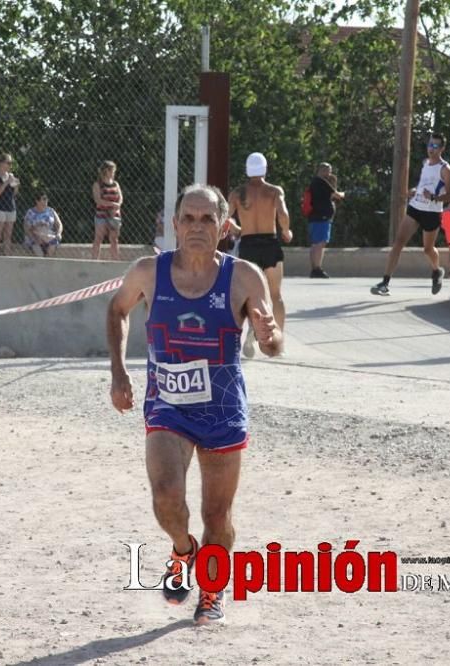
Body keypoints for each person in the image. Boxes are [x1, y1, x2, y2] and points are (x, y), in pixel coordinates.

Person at [107, 184, 283, 626]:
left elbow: (274, 340)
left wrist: (268, 336)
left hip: (222, 410)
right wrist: (119, 372)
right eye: (188, 218)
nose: (196, 227)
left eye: (207, 219)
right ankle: (184, 549)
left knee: (216, 514)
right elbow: (117, 311)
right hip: (168, 407)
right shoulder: (149, 271)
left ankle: (211, 591)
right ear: (175, 225)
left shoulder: (244, 275)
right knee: (166, 497)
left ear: (225, 227)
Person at [371, 133, 450, 297]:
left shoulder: (445, 169)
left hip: (432, 212)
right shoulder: (425, 163)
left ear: (442, 148)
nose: (432, 149)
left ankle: (437, 271)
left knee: (428, 249)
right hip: (415, 207)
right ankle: (385, 282)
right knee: (398, 243)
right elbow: (424, 183)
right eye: (430, 145)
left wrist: (433, 197)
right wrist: (415, 190)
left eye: (436, 146)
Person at [229, 152, 292, 358]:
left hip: (248, 245)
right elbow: (283, 213)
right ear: (265, 169)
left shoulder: (238, 193)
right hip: (270, 244)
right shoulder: (274, 191)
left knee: (247, 294)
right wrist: (286, 231)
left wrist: (237, 229)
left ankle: (248, 333)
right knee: (276, 296)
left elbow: (224, 217)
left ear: (247, 170)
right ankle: (278, 344)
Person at [306, 162, 345, 278]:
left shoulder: (315, 182)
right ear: (323, 170)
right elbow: (337, 195)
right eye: (329, 171)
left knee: (315, 244)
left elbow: (330, 196)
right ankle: (317, 268)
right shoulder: (321, 182)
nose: (330, 173)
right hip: (321, 217)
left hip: (315, 217)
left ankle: (315, 268)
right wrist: (344, 194)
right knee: (320, 243)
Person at [0, 153, 19, 256]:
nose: (10, 165)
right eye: (8, 163)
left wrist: (16, 185)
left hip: (10, 208)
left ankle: (7, 256)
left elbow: (14, 194)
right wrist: (6, 183)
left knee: (8, 235)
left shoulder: (11, 176)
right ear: (1, 164)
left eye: (11, 163)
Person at [92, 160, 123, 260]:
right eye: (112, 171)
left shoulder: (115, 184)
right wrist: (112, 204)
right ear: (106, 171)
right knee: (99, 238)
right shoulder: (97, 185)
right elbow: (98, 200)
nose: (113, 173)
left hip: (114, 215)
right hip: (102, 215)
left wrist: (117, 206)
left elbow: (120, 197)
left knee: (114, 239)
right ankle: (94, 261)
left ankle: (115, 260)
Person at [23, 193, 63, 257]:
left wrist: (59, 233)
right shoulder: (30, 212)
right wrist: (34, 238)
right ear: (37, 201)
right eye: (44, 199)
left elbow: (59, 224)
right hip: (35, 238)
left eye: (46, 199)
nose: (46, 201)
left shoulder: (51, 210)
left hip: (48, 237)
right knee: (40, 255)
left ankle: (47, 262)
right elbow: (26, 228)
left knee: (52, 246)